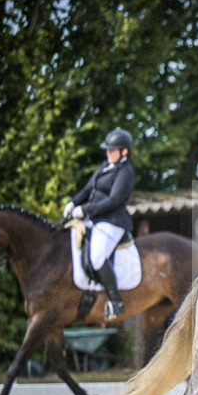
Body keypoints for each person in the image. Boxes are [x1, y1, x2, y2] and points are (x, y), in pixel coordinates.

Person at [63, 128, 136, 320]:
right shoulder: (105, 166)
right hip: (95, 218)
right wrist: (73, 203)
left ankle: (116, 301)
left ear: (124, 151)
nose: (108, 153)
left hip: (112, 221)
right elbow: (88, 189)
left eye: (112, 150)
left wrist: (85, 210)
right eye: (107, 149)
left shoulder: (126, 173)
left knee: (96, 258)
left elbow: (114, 200)